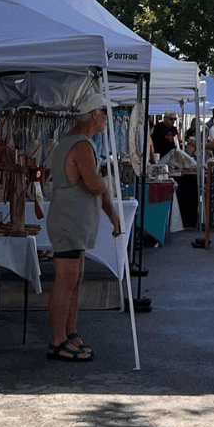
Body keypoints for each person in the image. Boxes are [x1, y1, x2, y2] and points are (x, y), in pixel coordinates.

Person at [46, 94, 122, 362]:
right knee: (65, 280)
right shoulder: (79, 144)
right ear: (93, 114)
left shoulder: (81, 142)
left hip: (75, 222)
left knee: (75, 278)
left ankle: (70, 332)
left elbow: (96, 186)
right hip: (68, 221)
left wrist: (111, 213)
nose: (106, 119)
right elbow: (93, 184)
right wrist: (105, 183)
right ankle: (57, 341)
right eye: (104, 113)